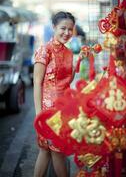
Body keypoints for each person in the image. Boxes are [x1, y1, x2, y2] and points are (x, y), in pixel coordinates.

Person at [33, 11, 77, 177]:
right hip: (48, 111)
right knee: (55, 151)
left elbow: (66, 81)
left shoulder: (69, 52)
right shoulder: (44, 50)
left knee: (46, 151)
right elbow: (37, 82)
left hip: (63, 109)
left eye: (70, 29)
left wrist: (75, 68)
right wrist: (39, 114)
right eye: (63, 28)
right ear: (54, 27)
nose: (66, 33)